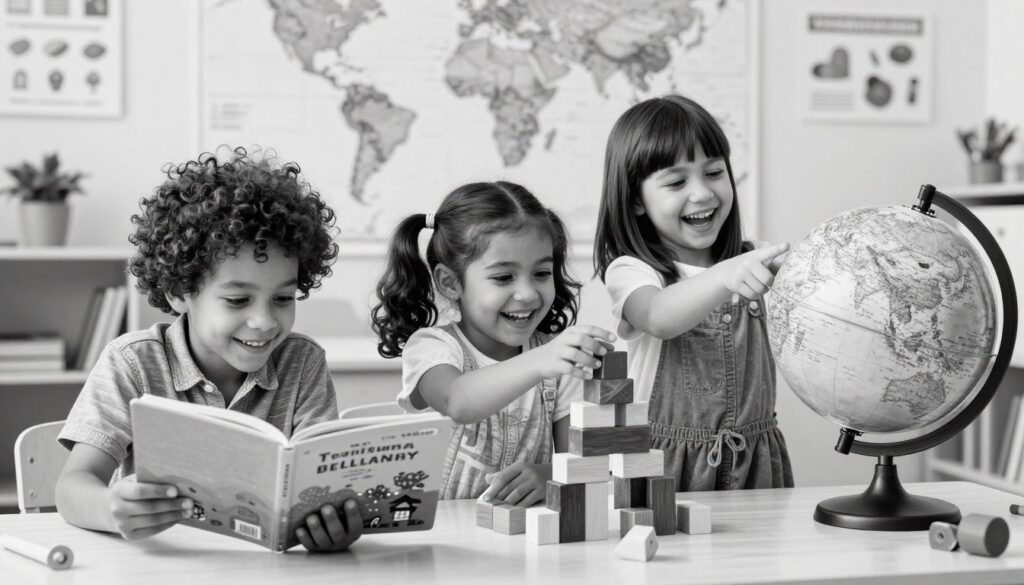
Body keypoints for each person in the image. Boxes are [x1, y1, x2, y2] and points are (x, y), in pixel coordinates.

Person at [55, 148, 361, 551]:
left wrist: (333, 523)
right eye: (237, 301)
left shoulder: (302, 362)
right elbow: (73, 486)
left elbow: (319, 482)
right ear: (180, 292)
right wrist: (110, 507)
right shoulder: (134, 362)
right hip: (160, 564)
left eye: (283, 298)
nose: (265, 321)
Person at [593, 95, 794, 491]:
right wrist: (726, 275)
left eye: (714, 172)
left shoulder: (751, 260)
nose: (702, 193)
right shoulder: (633, 271)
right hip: (663, 467)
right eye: (676, 181)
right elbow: (659, 317)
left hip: (754, 462)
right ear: (636, 200)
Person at [372, 181, 615, 505]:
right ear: (450, 282)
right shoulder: (432, 347)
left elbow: (585, 464)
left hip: (520, 539)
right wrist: (542, 361)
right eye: (503, 277)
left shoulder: (557, 364)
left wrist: (551, 474)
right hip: (437, 536)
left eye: (542, 273)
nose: (528, 293)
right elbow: (458, 402)